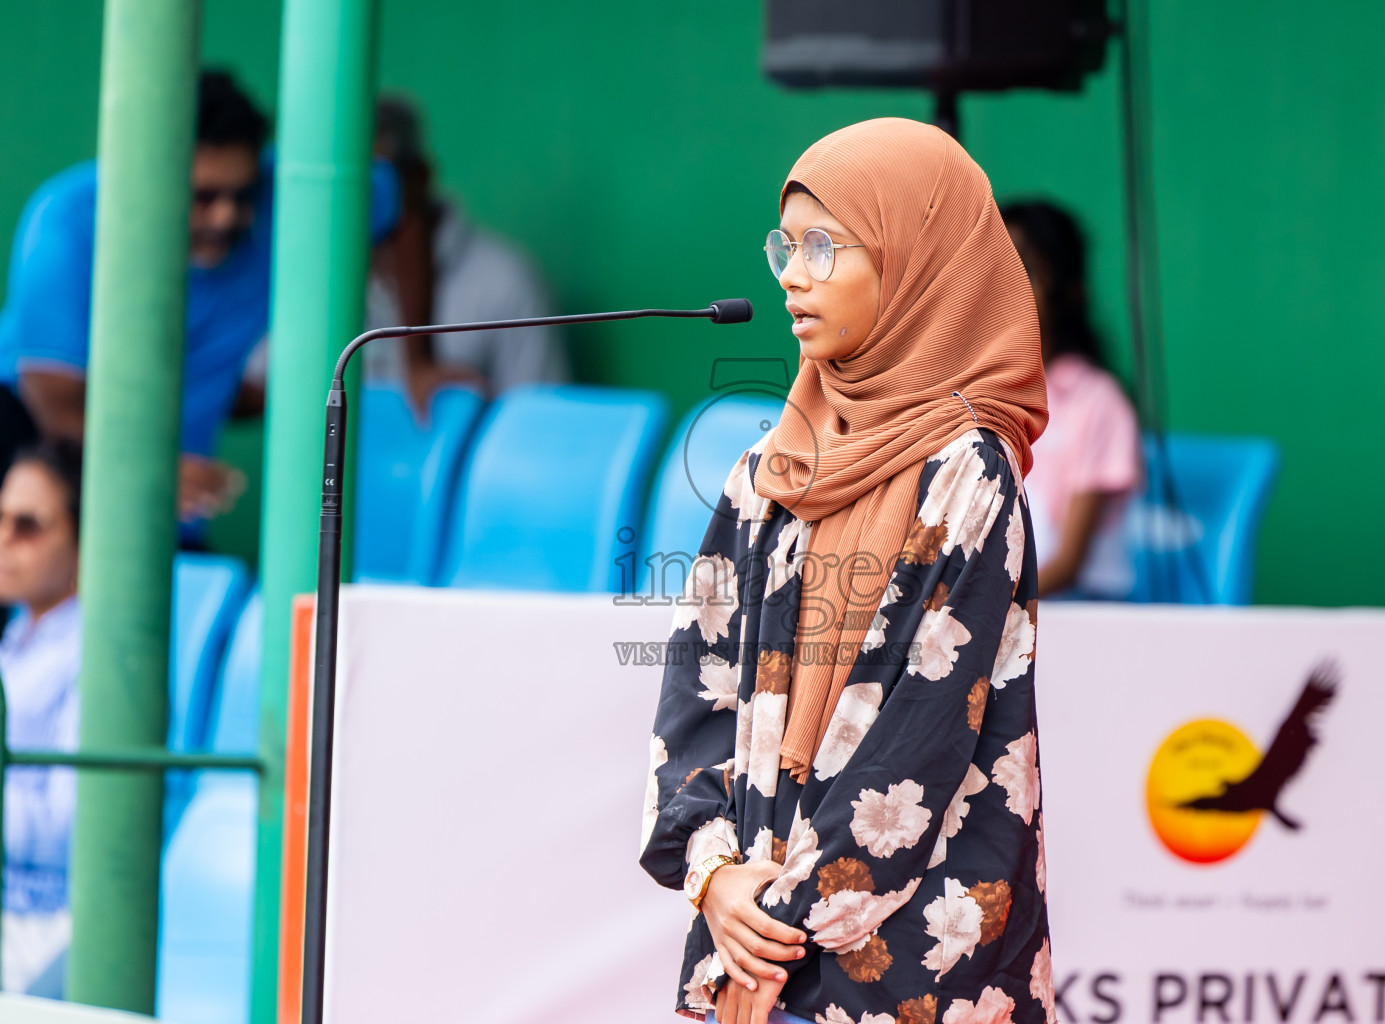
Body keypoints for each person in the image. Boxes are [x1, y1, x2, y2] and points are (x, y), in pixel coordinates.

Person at [641, 118, 1055, 1024]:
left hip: (908, 970)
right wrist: (715, 881)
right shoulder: (772, 470)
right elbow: (697, 693)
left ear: (918, 263)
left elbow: (918, 740)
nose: (792, 274)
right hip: (755, 944)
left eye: (825, 247)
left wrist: (767, 934)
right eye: (784, 248)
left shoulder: (967, 473)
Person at [0, 70, 398, 537]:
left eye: (241, 195)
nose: (226, 215)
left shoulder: (293, 197)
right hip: (30, 453)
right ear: (146, 174)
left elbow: (402, 199)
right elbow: (56, 406)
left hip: (170, 501)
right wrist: (153, 471)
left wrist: (419, 355)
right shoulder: (69, 222)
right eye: (202, 196)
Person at [364, 95, 567, 414]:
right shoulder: (325, 280)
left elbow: (541, 428)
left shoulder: (504, 282)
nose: (369, 205)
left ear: (421, 177)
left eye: (378, 185)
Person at [1000, 201, 1141, 599]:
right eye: (994, 268)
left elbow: (1068, 563)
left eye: (1024, 270)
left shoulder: (1100, 404)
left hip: (1079, 612)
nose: (1003, 286)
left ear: (1070, 290)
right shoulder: (977, 394)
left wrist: (978, 605)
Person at [0, 439, 83, 997]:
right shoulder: (19, 632)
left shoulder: (102, 652)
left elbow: (72, 828)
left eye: (28, 525)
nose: (4, 540)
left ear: (84, 537)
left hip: (46, 920)